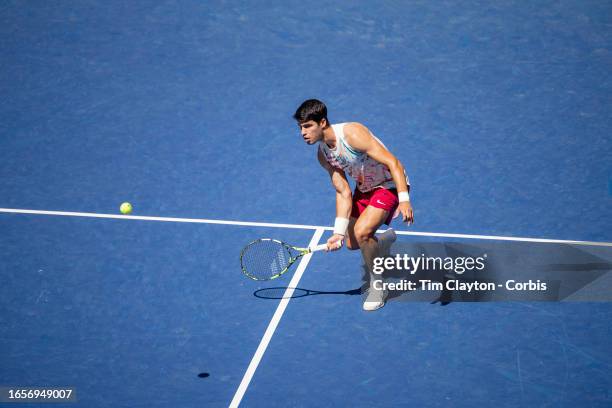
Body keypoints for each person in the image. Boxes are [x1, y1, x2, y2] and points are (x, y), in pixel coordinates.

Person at [294, 99, 414, 311]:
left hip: (389, 185)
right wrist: (338, 233)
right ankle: (381, 245)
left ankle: (378, 285)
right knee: (352, 242)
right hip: (365, 187)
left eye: (307, 126)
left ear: (322, 123)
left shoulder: (352, 134)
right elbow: (343, 192)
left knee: (362, 232)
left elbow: (394, 163)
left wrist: (404, 200)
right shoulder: (323, 155)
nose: (303, 132)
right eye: (300, 127)